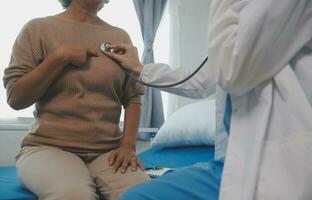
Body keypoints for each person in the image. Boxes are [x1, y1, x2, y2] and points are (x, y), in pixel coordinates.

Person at [105, 0, 312, 199]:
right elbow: (203, 80)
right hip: (230, 163)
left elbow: (232, 69)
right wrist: (141, 68)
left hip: (277, 166)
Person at [2, 0, 150, 199]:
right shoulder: (37, 29)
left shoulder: (119, 36)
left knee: (145, 195)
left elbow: (133, 97)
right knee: (74, 195)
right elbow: (16, 98)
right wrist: (60, 57)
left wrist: (127, 146)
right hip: (48, 148)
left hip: (108, 153)